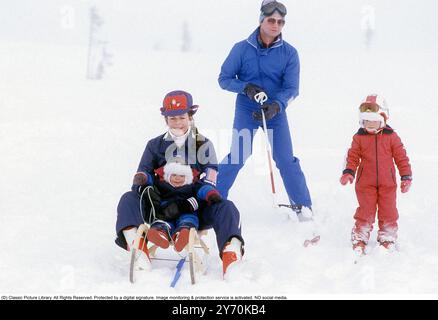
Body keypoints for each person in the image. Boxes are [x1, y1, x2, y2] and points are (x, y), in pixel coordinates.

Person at [115, 90, 244, 275]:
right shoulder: (154, 145)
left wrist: (188, 203)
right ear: (165, 119)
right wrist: (145, 183)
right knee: (128, 199)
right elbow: (142, 175)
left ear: (190, 116)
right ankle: (137, 246)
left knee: (227, 207)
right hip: (159, 207)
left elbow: (210, 181)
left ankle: (231, 253)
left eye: (182, 117)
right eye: (172, 118)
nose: (177, 123)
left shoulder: (204, 145)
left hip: (193, 208)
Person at [216, 0, 313, 221]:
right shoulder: (241, 49)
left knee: (285, 158)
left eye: (280, 22)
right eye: (271, 20)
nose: (276, 25)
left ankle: (303, 207)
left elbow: (291, 89)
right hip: (246, 108)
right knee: (238, 155)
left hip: (275, 111)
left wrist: (277, 105)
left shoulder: (289, 53)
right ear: (261, 20)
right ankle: (213, 199)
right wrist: (246, 88)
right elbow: (224, 79)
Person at [340, 94, 412, 255]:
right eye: (366, 122)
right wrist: (348, 172)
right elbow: (352, 156)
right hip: (365, 184)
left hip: (388, 184)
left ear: (383, 119)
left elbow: (401, 157)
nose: (370, 126)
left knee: (389, 211)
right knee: (365, 211)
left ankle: (388, 236)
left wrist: (406, 176)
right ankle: (359, 236)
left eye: (373, 121)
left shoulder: (391, 137)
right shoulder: (359, 137)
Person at [139, 159, 221, 253]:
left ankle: (181, 235)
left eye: (182, 176)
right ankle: (160, 234)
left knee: (188, 220)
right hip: (166, 212)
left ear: (188, 177)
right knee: (161, 222)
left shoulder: (192, 186)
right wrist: (143, 178)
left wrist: (211, 194)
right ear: (168, 176)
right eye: (174, 175)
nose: (177, 178)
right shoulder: (161, 184)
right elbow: (150, 180)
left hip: (186, 211)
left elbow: (204, 188)